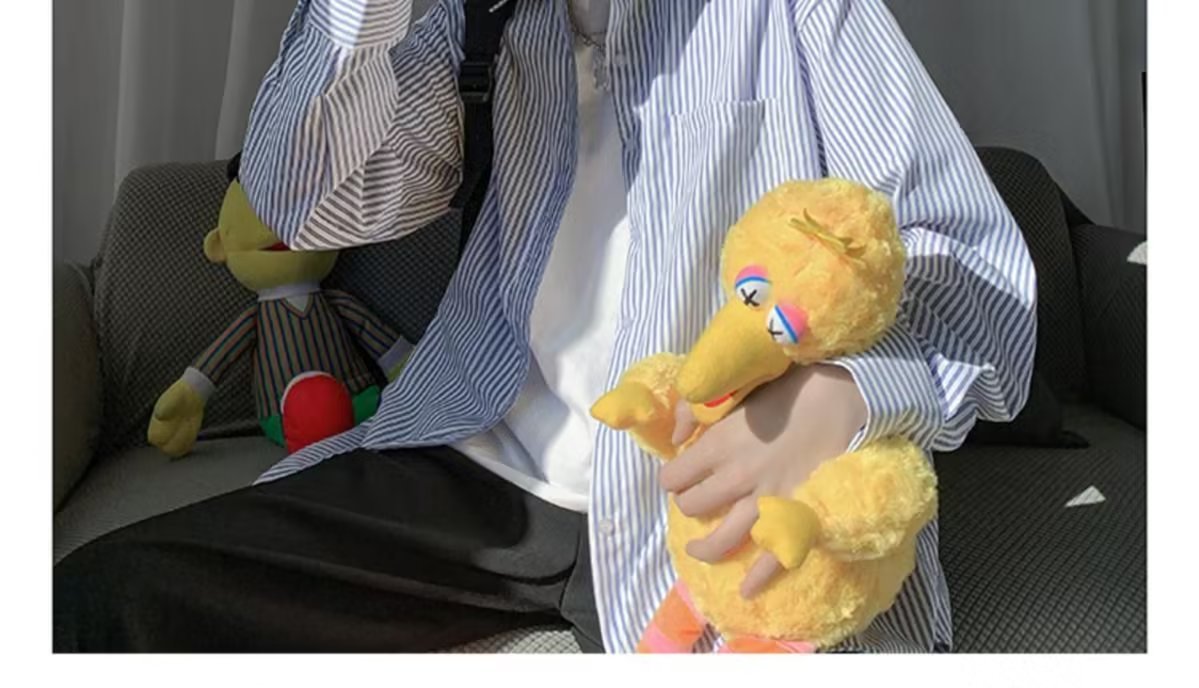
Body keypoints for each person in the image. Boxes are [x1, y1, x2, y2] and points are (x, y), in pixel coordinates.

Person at [54, 0, 1036, 653]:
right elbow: (300, 204)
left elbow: (985, 287)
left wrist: (835, 399)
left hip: (709, 508)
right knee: (100, 602)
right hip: (469, 466)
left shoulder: (796, 13)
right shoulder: (477, 26)